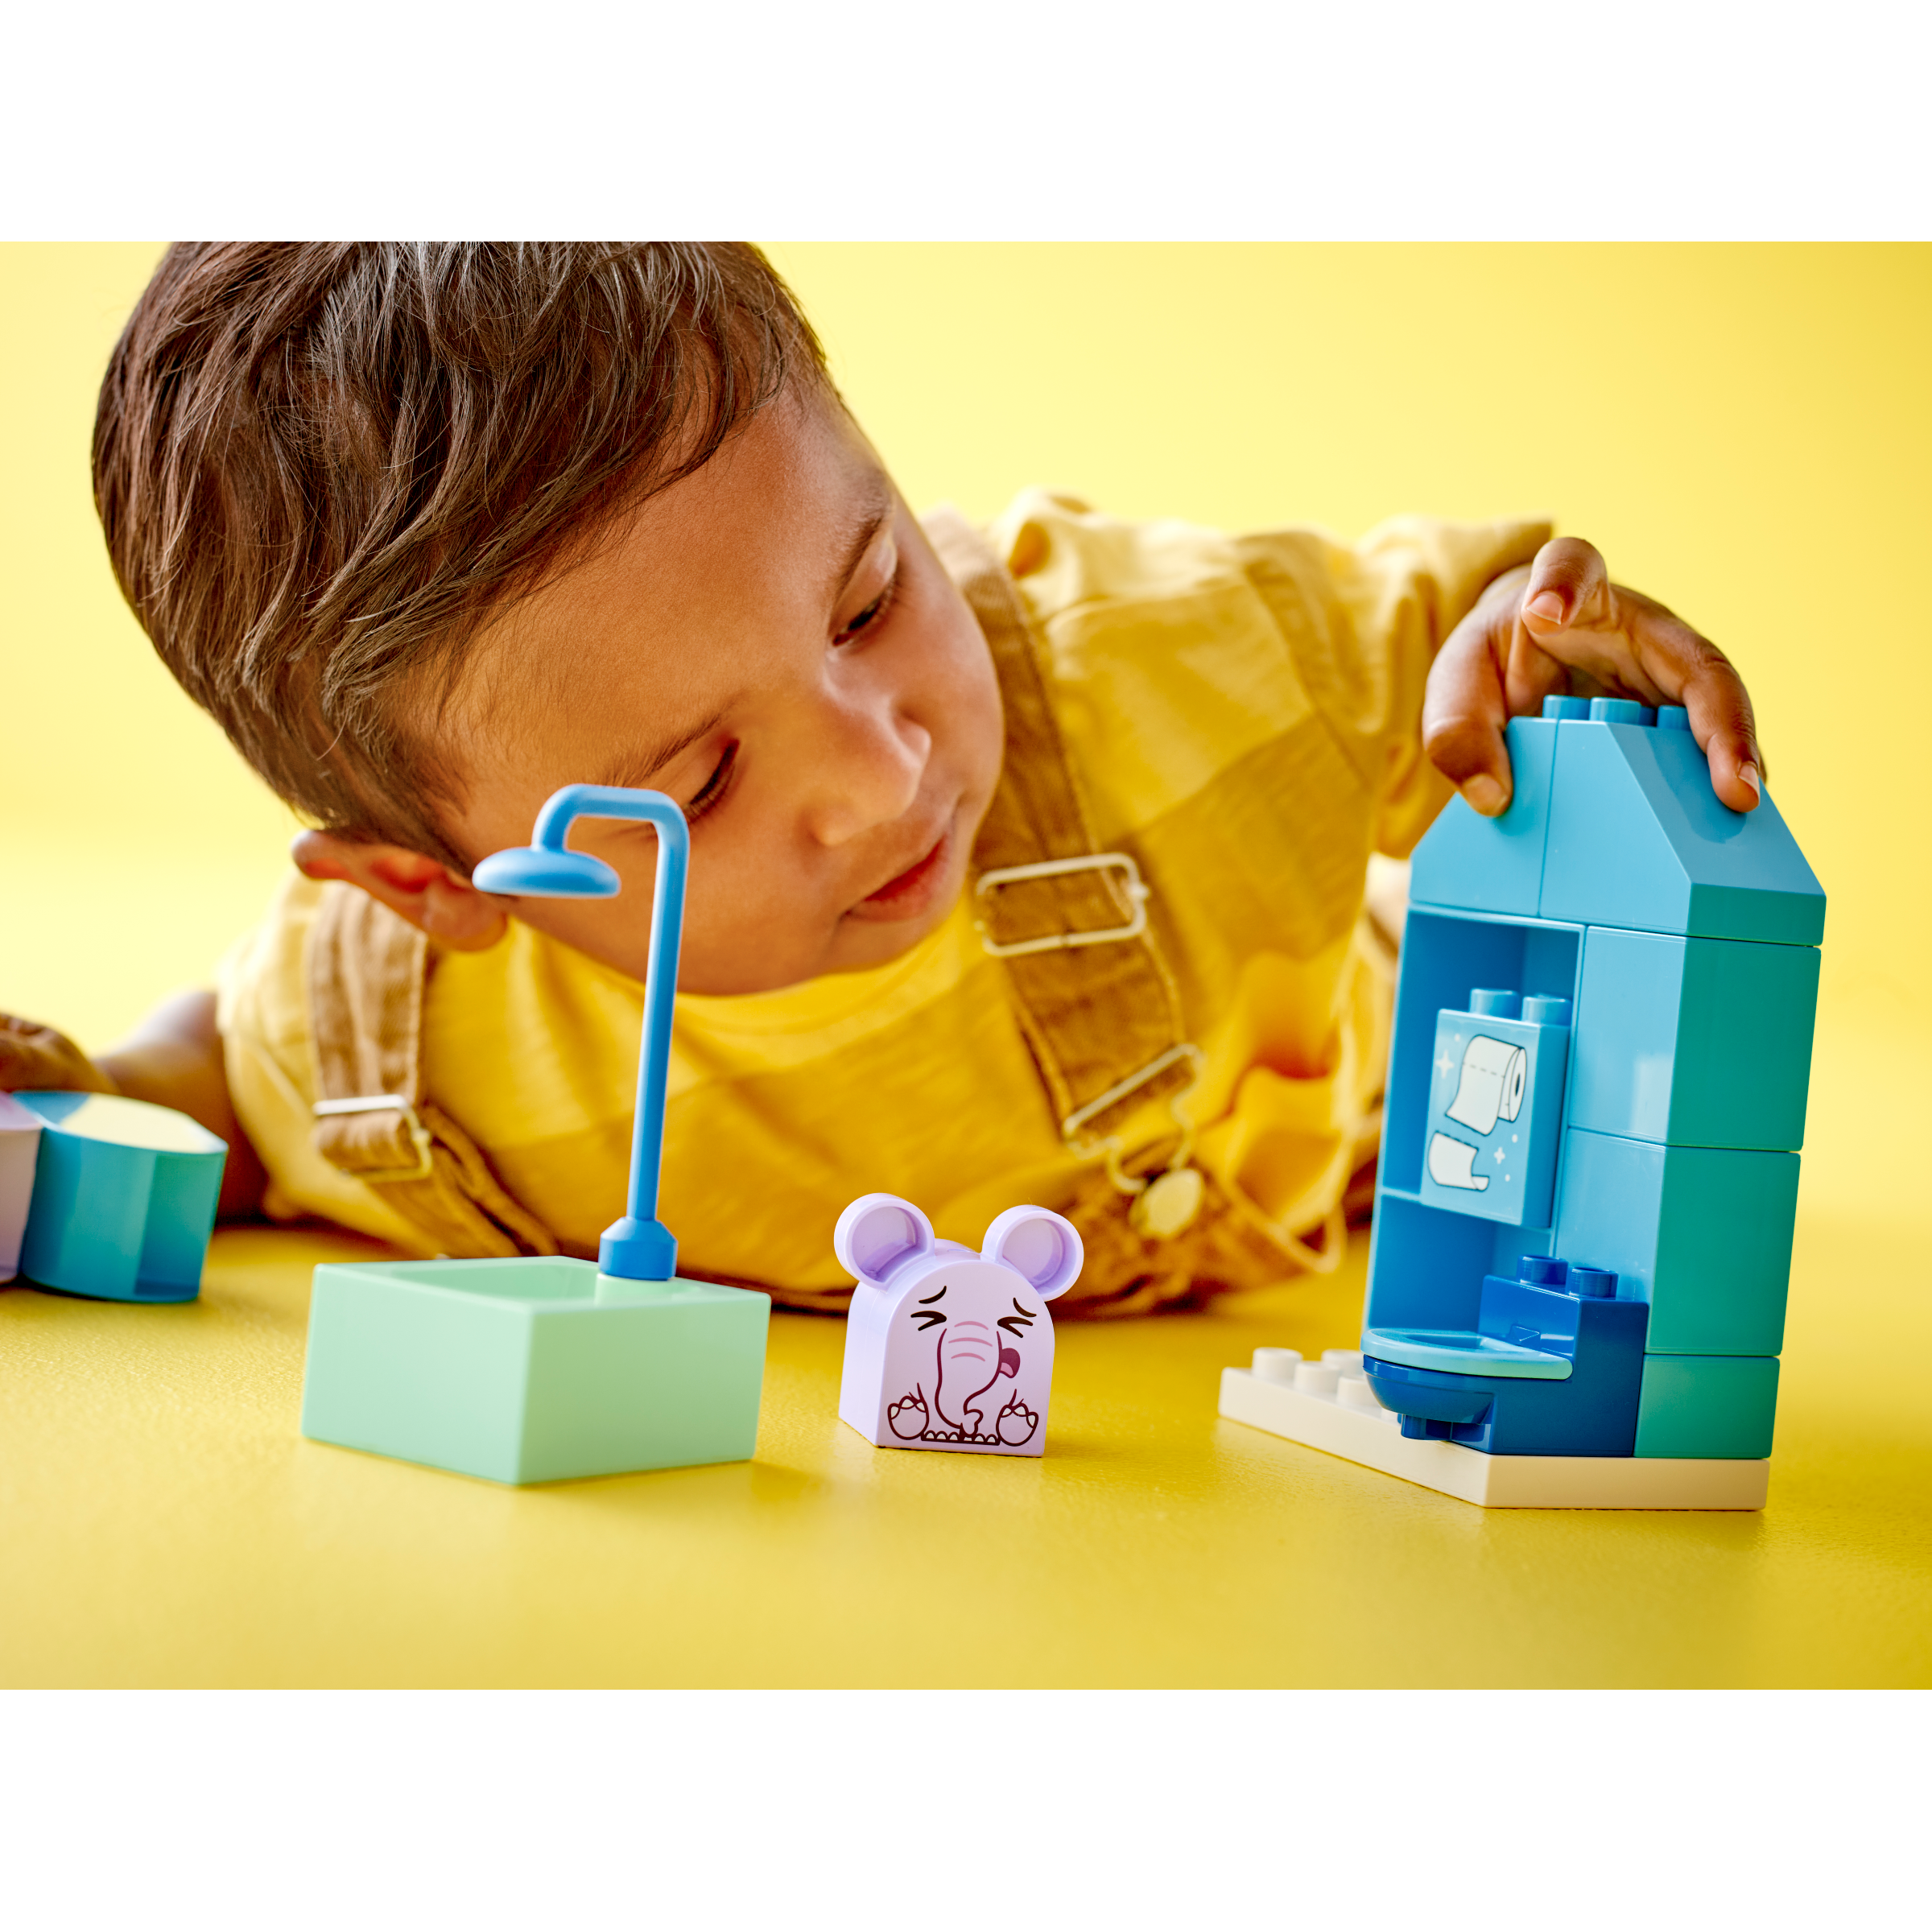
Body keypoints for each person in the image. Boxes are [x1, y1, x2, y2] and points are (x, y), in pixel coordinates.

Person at [0, 243, 1765, 1315]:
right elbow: (230, 1085)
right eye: (701, 781)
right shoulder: (399, 1042)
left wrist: (1537, 651)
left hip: (1333, 1101)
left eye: (865, 601)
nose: (884, 766)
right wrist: (98, 1087)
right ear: (438, 886)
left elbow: (1455, 637)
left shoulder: (1182, 666)